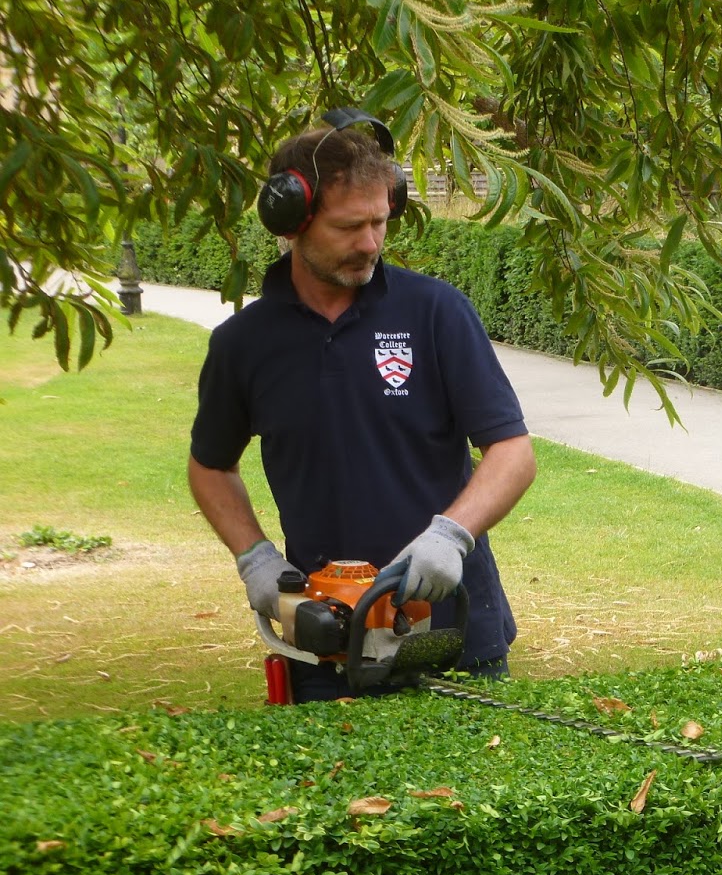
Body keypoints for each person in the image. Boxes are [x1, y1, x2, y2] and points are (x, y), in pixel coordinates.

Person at [188, 113, 537, 700]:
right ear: (291, 223)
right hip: (326, 635)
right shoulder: (244, 343)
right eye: (350, 227)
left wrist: (452, 535)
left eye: (380, 222)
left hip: (453, 631)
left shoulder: (435, 313)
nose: (370, 243)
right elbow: (210, 465)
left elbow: (512, 451)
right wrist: (254, 558)